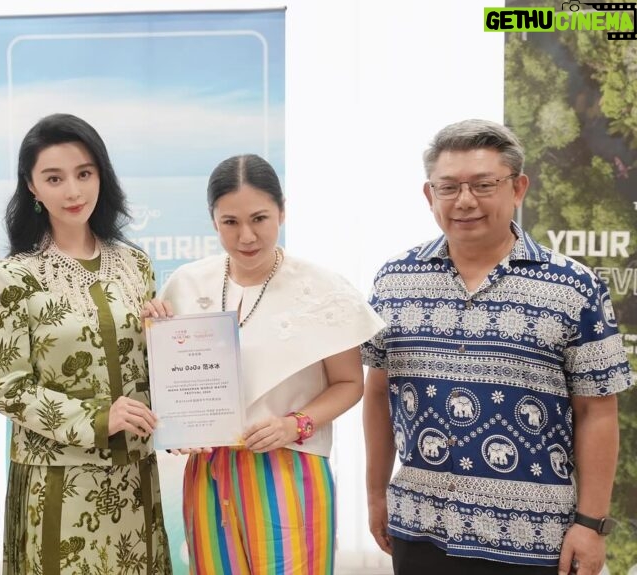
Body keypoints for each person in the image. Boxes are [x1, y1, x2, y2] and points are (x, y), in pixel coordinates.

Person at [362, 119, 633, 575]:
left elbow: (598, 412)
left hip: (536, 537)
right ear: (430, 196)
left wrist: (591, 524)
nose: (465, 200)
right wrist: (374, 495)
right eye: (448, 187)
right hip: (421, 527)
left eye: (483, 185)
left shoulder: (573, 285)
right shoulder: (394, 280)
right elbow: (377, 394)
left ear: (518, 188)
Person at [145, 154, 384, 574]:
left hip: (290, 466)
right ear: (213, 220)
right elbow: (166, 382)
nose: (247, 236)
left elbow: (350, 383)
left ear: (283, 211)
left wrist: (295, 424)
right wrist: (177, 421)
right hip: (209, 472)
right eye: (230, 222)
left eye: (260, 218)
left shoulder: (320, 287)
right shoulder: (186, 283)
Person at [0, 113, 172, 574]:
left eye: (84, 174)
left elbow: (151, 370)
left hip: (135, 477)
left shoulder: (136, 266)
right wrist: (96, 417)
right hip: (59, 483)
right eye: (54, 178)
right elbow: (5, 387)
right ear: (31, 186)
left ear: (101, 176)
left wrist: (165, 335)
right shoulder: (13, 277)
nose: (73, 191)